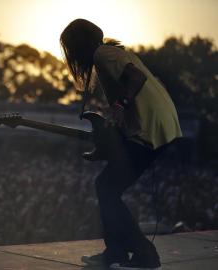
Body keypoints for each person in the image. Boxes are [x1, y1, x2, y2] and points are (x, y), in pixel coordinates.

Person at [60, 19, 182, 270]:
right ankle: (114, 254)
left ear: (78, 45)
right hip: (154, 125)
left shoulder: (103, 53)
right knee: (106, 187)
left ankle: (144, 255)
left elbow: (136, 79)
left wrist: (120, 105)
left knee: (106, 188)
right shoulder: (110, 54)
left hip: (149, 129)